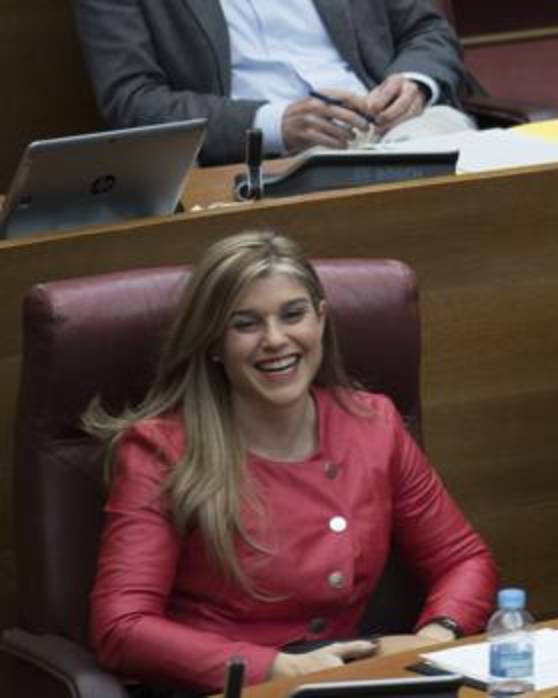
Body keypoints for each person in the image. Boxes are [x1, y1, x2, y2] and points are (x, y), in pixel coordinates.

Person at [85, 232, 498, 694]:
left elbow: (462, 559)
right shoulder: (161, 449)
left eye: (293, 314)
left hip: (350, 680)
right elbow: (122, 627)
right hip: (226, 686)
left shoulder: (372, 424)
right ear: (214, 343)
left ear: (321, 320)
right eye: (246, 324)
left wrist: (434, 637)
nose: (275, 340)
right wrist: (276, 668)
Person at [74, 0, 478, 165]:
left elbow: (428, 31)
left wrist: (412, 84)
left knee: (454, 155)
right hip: (263, 161)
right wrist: (272, 125)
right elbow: (133, 101)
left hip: (398, 126)